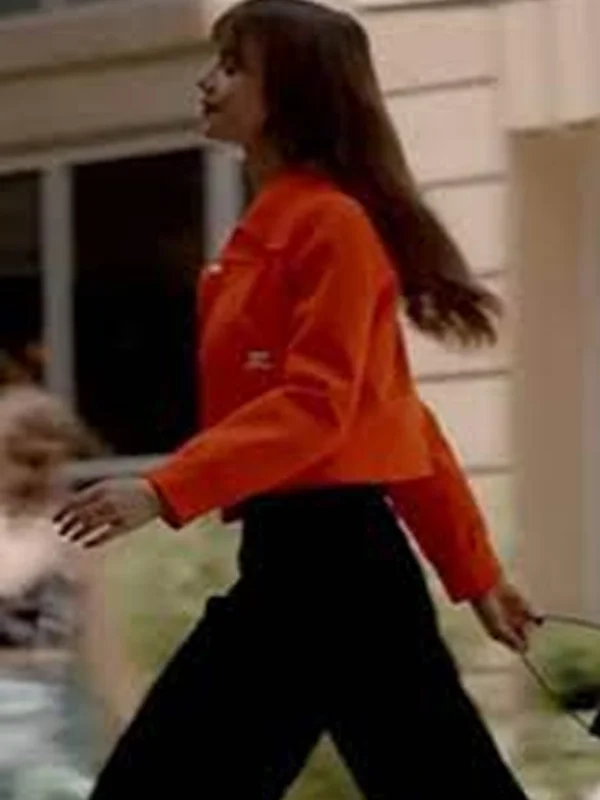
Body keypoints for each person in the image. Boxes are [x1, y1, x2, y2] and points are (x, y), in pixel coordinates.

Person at [54, 0, 537, 796]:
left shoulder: (331, 227)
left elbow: (323, 408)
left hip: (330, 568)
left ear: (295, 93)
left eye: (232, 66)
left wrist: (163, 489)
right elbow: (400, 421)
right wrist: (477, 577)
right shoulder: (278, 232)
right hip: (314, 569)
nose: (207, 82)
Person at [0, 386, 138, 798]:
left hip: (50, 729)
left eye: (47, 461)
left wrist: (130, 721)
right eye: (22, 459)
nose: (34, 475)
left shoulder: (71, 542)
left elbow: (104, 651)